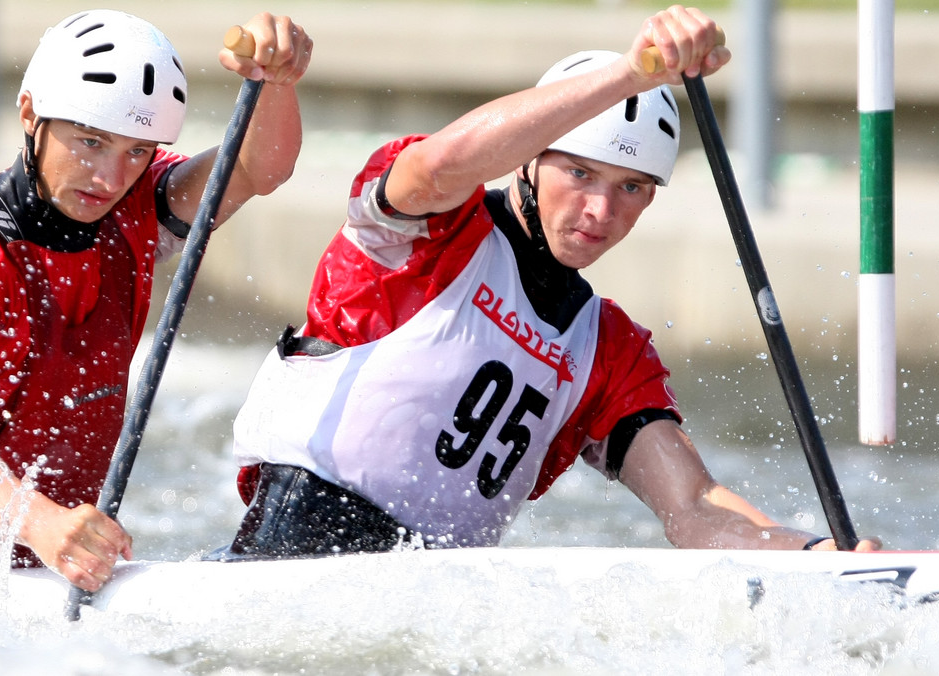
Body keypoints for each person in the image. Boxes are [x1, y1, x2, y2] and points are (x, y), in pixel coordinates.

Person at [220, 6, 879, 559]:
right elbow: (436, 168)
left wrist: (810, 554)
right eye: (580, 174)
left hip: (433, 600)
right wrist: (631, 71)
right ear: (528, 162)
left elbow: (695, 507)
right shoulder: (431, 233)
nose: (601, 211)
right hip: (291, 550)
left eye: (632, 189)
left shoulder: (611, 351)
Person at [0, 9, 314, 591]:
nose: (108, 176)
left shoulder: (133, 209)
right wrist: (45, 525)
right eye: (91, 141)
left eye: (137, 151)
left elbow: (257, 167)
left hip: (39, 541)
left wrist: (276, 81)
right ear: (30, 113)